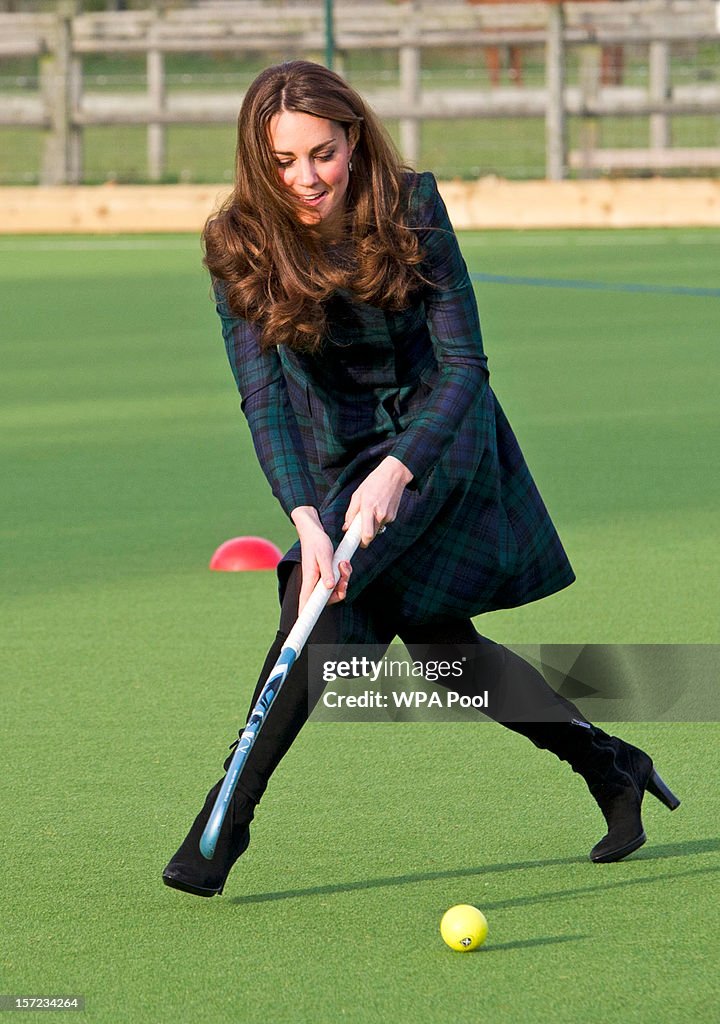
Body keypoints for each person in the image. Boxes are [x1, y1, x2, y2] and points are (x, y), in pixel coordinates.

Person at [162, 60, 679, 898]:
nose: (305, 179)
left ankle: (220, 829)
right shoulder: (238, 244)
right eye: (283, 162)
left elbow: (467, 363)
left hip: (438, 439)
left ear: (354, 138)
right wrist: (304, 516)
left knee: (318, 609)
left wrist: (401, 469)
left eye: (322, 154)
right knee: (444, 650)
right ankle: (612, 765)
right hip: (336, 456)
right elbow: (265, 402)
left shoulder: (410, 207)